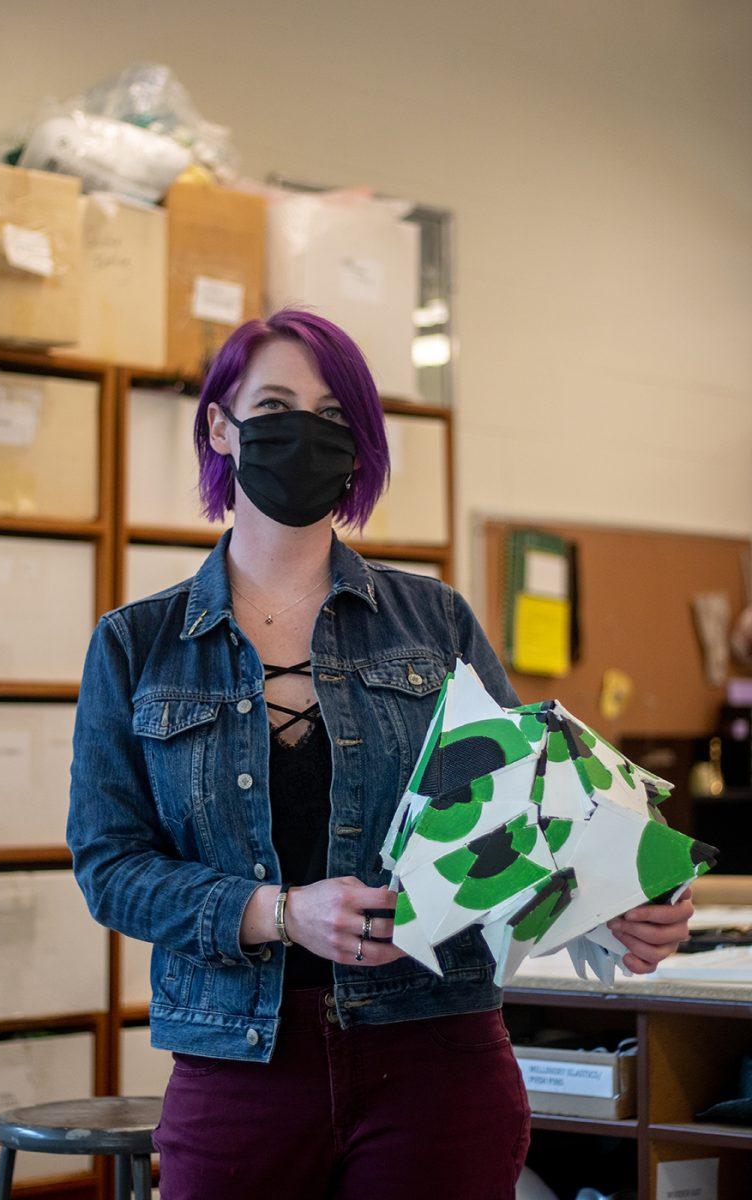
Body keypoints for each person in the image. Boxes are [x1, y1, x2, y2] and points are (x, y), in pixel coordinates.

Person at [68, 309, 693, 1199]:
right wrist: (280, 913)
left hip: (436, 1056)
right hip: (240, 1065)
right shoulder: (138, 644)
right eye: (275, 403)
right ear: (218, 424)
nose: (304, 432)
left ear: (357, 447)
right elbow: (108, 866)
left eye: (332, 416)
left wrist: (613, 904)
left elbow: (528, 820)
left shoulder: (433, 621)